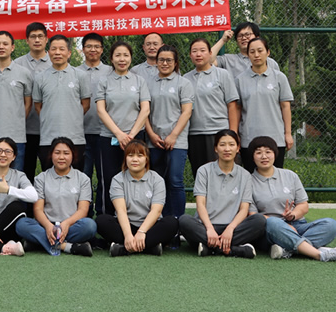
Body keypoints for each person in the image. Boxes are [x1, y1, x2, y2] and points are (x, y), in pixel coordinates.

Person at [248, 136, 336, 262]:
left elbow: (303, 205)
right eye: (258, 153)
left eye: (268, 152)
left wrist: (292, 216)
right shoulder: (248, 182)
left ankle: (287, 250)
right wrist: (283, 225)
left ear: (275, 154)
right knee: (273, 222)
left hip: (297, 225)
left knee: (331, 224)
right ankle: (319, 254)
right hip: (272, 229)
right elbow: (253, 215)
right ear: (252, 157)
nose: (264, 156)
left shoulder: (290, 175)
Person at [179, 130, 266, 258]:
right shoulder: (204, 171)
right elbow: (200, 204)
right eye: (222, 144)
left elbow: (244, 209)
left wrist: (230, 229)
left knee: (259, 220)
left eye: (231, 145)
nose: (227, 149)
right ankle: (233, 249)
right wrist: (209, 229)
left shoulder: (245, 175)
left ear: (238, 148)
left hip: (233, 228)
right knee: (184, 220)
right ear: (215, 148)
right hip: (206, 226)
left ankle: (210, 248)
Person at [95, 140, 179, 256]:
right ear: (125, 159)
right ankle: (149, 247)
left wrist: (142, 232)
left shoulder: (157, 179)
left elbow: (156, 211)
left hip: (149, 227)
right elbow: (121, 210)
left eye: (140, 156)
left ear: (146, 159)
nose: (135, 159)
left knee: (172, 223)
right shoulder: (117, 180)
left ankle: (124, 248)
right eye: (130, 155)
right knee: (101, 221)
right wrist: (128, 235)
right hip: (126, 226)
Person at [95, 41, 150, 215]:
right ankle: (108, 218)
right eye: (118, 55)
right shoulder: (104, 81)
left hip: (136, 137)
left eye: (126, 55)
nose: (122, 59)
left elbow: (145, 109)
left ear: (131, 58)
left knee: (135, 176)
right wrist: (119, 134)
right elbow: (101, 110)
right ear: (111, 59)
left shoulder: (139, 81)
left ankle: (136, 216)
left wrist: (131, 136)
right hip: (109, 137)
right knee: (109, 178)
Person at [16, 137, 96, 256]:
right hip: (46, 225)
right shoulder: (41, 178)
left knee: (90, 226)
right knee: (21, 224)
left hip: (71, 226)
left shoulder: (83, 179)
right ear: (51, 155)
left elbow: (83, 210)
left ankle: (39, 243)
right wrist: (48, 226)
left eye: (66, 153)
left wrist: (66, 224)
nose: (61, 157)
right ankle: (66, 246)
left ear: (73, 155)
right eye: (57, 153)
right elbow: (38, 209)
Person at [145, 45, 193, 218]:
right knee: (157, 182)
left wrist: (173, 136)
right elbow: (144, 111)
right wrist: (151, 134)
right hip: (154, 140)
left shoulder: (184, 83)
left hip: (177, 141)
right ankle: (160, 219)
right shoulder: (147, 83)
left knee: (175, 180)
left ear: (175, 62)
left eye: (168, 60)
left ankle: (178, 221)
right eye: (161, 60)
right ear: (156, 61)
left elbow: (186, 112)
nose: (165, 63)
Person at [33, 34, 91, 172]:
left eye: (61, 49)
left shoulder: (80, 76)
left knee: (75, 177)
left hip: (75, 138)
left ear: (69, 53)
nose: (57, 53)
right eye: (54, 49)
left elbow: (85, 104)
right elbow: (38, 106)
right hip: (48, 138)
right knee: (49, 177)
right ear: (48, 52)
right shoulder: (40, 78)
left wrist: (72, 115)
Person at [235, 37, 294, 172]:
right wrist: (236, 134)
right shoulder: (239, 80)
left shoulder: (279, 77)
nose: (256, 55)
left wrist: (288, 133)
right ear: (248, 54)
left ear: (268, 52)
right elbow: (237, 108)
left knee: (275, 177)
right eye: (252, 52)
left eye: (260, 51)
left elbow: (285, 106)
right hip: (248, 138)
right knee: (251, 177)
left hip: (275, 138)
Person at [184, 37, 239, 177]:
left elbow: (232, 105)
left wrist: (233, 134)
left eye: (202, 50)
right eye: (194, 51)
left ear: (210, 53)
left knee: (222, 174)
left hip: (218, 132)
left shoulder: (222, 74)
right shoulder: (185, 79)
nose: (198, 54)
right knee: (201, 175)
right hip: (194, 134)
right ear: (190, 55)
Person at [0, 31, 33, 171]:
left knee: (15, 177)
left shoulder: (24, 73)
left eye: (5, 44)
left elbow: (28, 103)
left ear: (12, 47)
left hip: (16, 136)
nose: (1, 47)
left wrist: (17, 118)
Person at [13, 22, 50, 182]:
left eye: (40, 36)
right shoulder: (17, 64)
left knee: (50, 172)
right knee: (25, 172)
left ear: (46, 39)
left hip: (49, 129)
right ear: (27, 40)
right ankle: (26, 200)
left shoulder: (55, 62)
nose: (37, 40)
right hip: (24, 130)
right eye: (33, 37)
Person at [76, 33, 112, 188]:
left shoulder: (111, 71)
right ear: (83, 49)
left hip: (105, 132)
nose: (93, 50)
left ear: (102, 49)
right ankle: (85, 204)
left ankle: (103, 204)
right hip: (80, 132)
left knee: (105, 174)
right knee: (84, 175)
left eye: (97, 46)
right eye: (89, 46)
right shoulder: (74, 72)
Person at [211, 21, 280, 79]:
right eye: (240, 36)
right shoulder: (228, 60)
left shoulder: (271, 63)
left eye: (247, 34)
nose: (244, 38)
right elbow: (208, 61)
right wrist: (223, 40)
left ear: (257, 37)